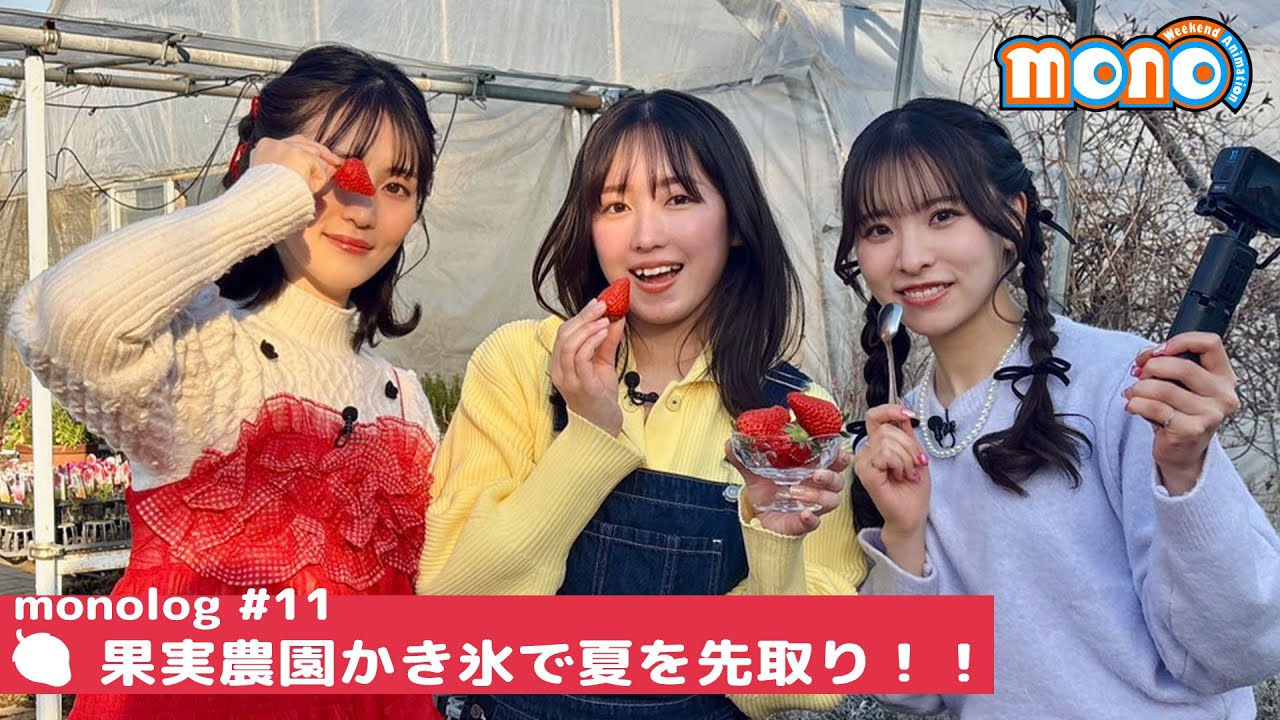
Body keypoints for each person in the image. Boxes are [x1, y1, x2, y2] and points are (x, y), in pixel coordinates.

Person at [8, 44, 442, 720]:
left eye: (397, 187)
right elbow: (65, 319)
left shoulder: (405, 402)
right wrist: (261, 199)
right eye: (334, 169)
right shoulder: (205, 352)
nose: (363, 210)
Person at [419, 89, 865, 720]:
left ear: (737, 223)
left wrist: (774, 537)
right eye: (615, 205)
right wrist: (588, 435)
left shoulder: (792, 420)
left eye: (678, 198)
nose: (645, 236)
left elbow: (796, 683)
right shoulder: (521, 364)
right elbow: (455, 616)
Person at [839, 97, 1280, 718]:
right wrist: (903, 533)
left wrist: (1185, 472)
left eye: (943, 215)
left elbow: (1242, 650)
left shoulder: (1124, 383)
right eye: (878, 229)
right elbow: (913, 689)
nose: (910, 257)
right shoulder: (898, 441)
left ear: (1012, 218)